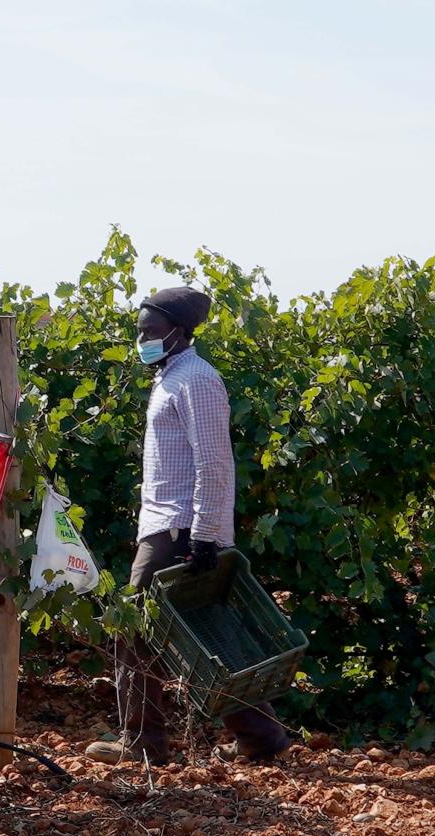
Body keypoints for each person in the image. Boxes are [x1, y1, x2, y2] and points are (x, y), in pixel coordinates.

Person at [86, 286, 290, 766]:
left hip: (177, 527)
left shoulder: (196, 379)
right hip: (165, 524)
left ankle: (142, 745)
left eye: (151, 331)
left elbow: (215, 463)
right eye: (140, 330)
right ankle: (260, 736)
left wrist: (204, 535)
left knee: (134, 628)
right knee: (189, 636)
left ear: (180, 331)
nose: (142, 339)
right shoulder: (170, 376)